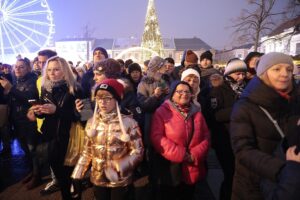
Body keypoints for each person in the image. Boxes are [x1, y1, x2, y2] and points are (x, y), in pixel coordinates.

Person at [230, 52, 300, 200]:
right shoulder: (245, 106)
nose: (285, 74)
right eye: (277, 69)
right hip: (254, 184)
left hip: (292, 183)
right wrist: (283, 169)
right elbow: (243, 151)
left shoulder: (295, 101)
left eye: (289, 69)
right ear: (263, 73)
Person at [72, 79, 144, 200]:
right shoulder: (91, 122)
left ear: (117, 99)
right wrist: (78, 173)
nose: (102, 102)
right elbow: (87, 151)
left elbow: (138, 151)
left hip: (120, 179)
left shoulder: (129, 123)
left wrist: (119, 166)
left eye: (107, 98)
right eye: (99, 99)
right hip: (98, 178)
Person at [150, 81, 210, 200]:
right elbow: (157, 137)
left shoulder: (197, 112)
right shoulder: (161, 111)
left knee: (188, 194)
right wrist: (180, 154)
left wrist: (195, 154)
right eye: (180, 91)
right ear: (172, 94)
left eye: (187, 91)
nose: (184, 94)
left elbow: (206, 136)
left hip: (192, 163)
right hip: (170, 166)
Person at [31, 56, 81, 199]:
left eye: (56, 69)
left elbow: (85, 117)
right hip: (51, 140)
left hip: (70, 140)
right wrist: (38, 112)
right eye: (49, 70)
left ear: (65, 71)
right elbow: (44, 114)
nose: (52, 73)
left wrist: (56, 111)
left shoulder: (77, 88)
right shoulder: (45, 88)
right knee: (61, 179)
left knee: (72, 179)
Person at [209, 58, 247, 200]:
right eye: (237, 74)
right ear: (229, 73)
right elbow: (216, 115)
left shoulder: (247, 88)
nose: (241, 77)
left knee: (242, 176)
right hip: (225, 138)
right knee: (230, 175)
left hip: (243, 138)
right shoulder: (219, 89)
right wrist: (240, 108)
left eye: (243, 74)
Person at [1, 58, 40, 189]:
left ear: (28, 68)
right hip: (17, 121)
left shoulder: (33, 80)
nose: (17, 69)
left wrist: (11, 89)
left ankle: (37, 176)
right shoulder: (17, 81)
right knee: (25, 149)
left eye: (21, 67)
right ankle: (32, 171)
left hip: (28, 122)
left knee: (32, 149)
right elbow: (14, 99)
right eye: (16, 66)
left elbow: (29, 98)